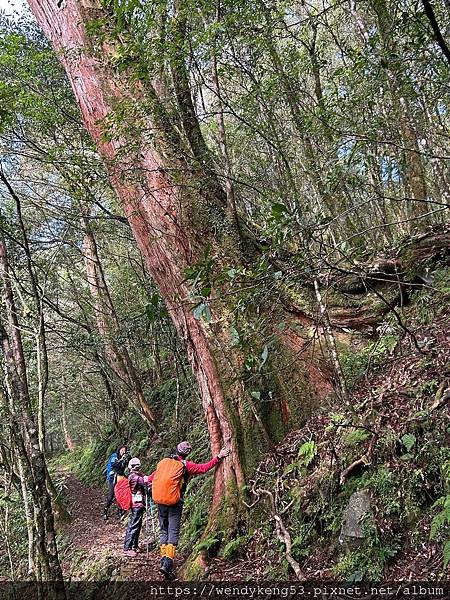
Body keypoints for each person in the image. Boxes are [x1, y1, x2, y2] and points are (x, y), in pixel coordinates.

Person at [148, 441, 231, 580]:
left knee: (164, 530)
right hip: (175, 502)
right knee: (173, 531)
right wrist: (219, 456)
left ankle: (163, 560)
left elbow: (151, 478)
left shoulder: (164, 463)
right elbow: (204, 468)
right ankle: (167, 563)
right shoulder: (186, 465)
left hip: (160, 501)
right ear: (187, 453)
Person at [123, 457, 151, 557]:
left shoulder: (134, 476)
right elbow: (145, 483)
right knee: (133, 525)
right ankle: (127, 548)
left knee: (137, 525)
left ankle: (134, 545)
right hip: (137, 503)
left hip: (138, 503)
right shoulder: (136, 477)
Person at [104, 444, 129, 521]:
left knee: (121, 494)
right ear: (119, 450)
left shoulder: (125, 457)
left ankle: (120, 511)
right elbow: (114, 465)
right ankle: (105, 510)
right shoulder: (114, 456)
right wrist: (122, 460)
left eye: (124, 451)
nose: (123, 452)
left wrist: (127, 459)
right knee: (111, 495)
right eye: (122, 450)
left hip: (121, 477)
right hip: (113, 477)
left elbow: (127, 465)